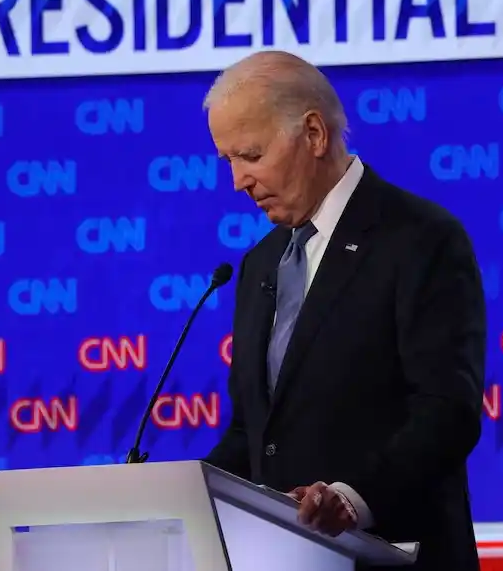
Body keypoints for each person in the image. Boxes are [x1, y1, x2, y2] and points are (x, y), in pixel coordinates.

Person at [203, 51, 486, 571]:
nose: (238, 182)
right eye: (229, 162)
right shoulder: (259, 264)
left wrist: (352, 497)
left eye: (250, 155)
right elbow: (253, 435)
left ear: (313, 134)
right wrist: (184, 496)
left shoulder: (421, 239)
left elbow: (447, 410)